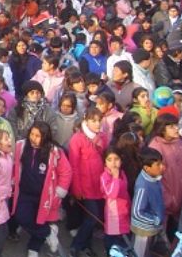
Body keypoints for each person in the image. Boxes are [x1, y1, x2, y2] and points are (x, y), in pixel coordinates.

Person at [11, 121, 71, 257]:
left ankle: (34, 248)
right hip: (24, 192)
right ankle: (48, 232)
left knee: (40, 220)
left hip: (45, 195)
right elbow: (14, 165)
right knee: (21, 217)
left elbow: (66, 172)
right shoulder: (21, 146)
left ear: (45, 136)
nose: (33, 138)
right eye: (32, 134)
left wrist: (59, 192)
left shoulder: (54, 151)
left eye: (38, 136)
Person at [68, 107, 108, 256]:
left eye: (99, 120)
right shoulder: (77, 139)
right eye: (93, 120)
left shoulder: (103, 137)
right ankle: (76, 245)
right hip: (85, 186)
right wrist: (76, 189)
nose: (97, 124)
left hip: (99, 185)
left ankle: (86, 246)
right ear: (86, 120)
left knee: (91, 218)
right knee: (92, 217)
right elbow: (74, 165)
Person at [131, 147, 167, 257]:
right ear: (147, 168)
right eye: (158, 165)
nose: (162, 167)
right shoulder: (143, 186)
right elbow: (137, 212)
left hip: (152, 228)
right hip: (143, 231)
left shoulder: (154, 178)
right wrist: (155, 220)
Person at [101, 147, 131, 254]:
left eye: (116, 159)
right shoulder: (105, 177)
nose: (113, 163)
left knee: (124, 245)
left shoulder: (122, 173)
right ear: (105, 162)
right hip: (114, 217)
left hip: (124, 213)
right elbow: (111, 194)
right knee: (113, 245)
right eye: (109, 160)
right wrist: (115, 178)